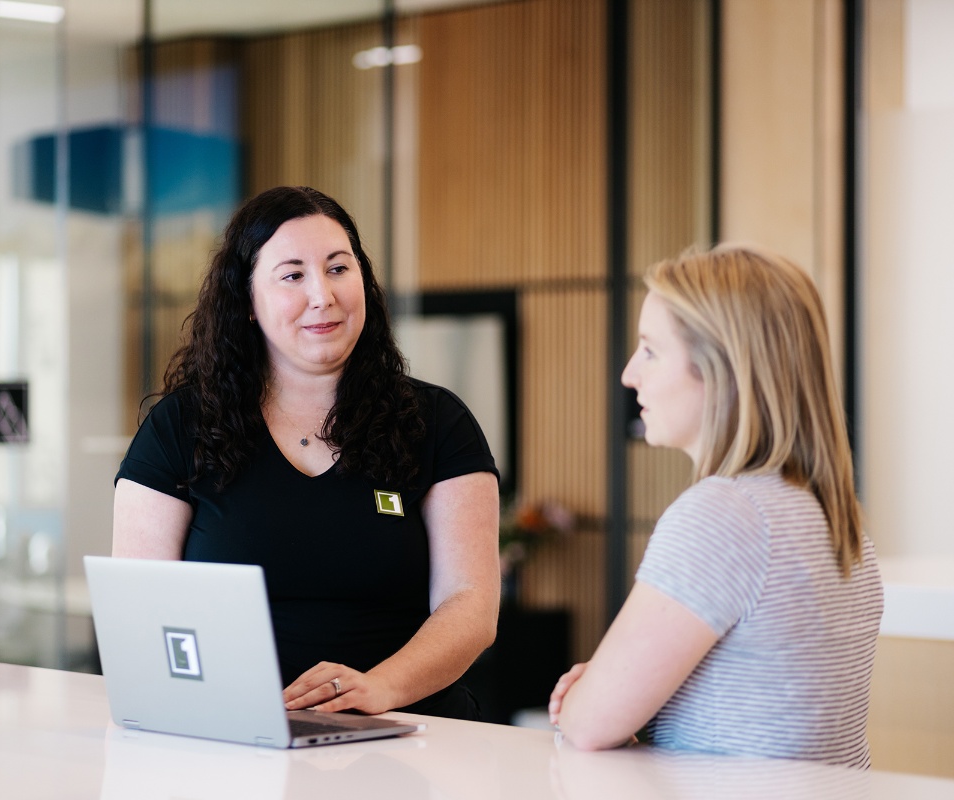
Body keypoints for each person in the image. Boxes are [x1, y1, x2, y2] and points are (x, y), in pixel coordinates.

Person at [112, 186, 500, 720]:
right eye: (293, 275)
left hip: (409, 726)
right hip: (235, 734)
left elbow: (472, 605)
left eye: (339, 269)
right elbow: (139, 612)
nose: (323, 295)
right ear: (247, 301)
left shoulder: (437, 422)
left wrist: (378, 689)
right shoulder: (180, 427)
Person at [547, 245, 883, 768]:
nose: (629, 374)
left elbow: (589, 723)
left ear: (721, 367)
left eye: (651, 351)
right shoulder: (833, 513)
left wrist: (589, 693)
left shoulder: (724, 515)